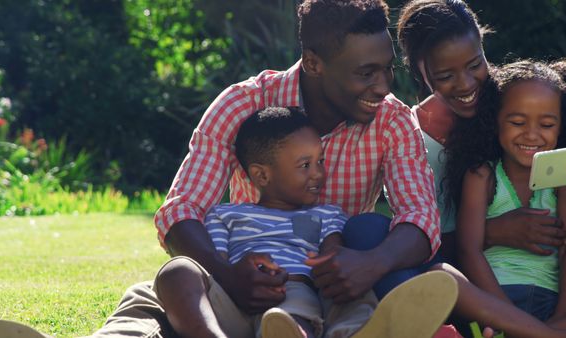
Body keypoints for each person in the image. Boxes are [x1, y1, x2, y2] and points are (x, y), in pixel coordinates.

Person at [90, 1, 443, 337]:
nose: (383, 87)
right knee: (158, 291)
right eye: (366, 73)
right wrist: (226, 274)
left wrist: (374, 262)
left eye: (387, 69)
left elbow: (421, 216)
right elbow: (182, 209)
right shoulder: (243, 104)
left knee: (363, 262)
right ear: (313, 62)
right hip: (241, 275)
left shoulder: (392, 121)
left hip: (330, 286)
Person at [396, 0, 566, 329]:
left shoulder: (527, 93)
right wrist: (493, 232)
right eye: (445, 75)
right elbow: (431, 244)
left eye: (474, 64)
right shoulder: (413, 140)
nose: (466, 83)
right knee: (425, 271)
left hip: (559, 281)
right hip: (480, 281)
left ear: (483, 47)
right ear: (422, 73)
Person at [154, 106, 457, 338]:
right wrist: (236, 274)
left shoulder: (327, 215)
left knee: (326, 294)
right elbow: (215, 265)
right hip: (232, 299)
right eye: (305, 165)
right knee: (177, 271)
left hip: (291, 291)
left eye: (320, 162)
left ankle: (362, 329)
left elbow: (332, 258)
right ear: (262, 175)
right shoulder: (225, 214)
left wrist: (330, 264)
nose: (318, 174)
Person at [451, 59, 566, 330]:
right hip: (494, 304)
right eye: (517, 122)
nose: (532, 135)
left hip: (551, 305)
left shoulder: (564, 181)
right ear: (496, 120)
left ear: (560, 127)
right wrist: (510, 318)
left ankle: (546, 332)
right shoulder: (482, 176)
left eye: (546, 125)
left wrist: (561, 315)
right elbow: (469, 251)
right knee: (445, 277)